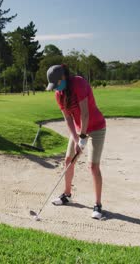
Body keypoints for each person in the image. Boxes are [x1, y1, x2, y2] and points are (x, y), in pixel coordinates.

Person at [46, 64, 107, 219]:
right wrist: (75, 138)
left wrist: (83, 139)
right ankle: (67, 195)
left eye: (57, 84)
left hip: (96, 127)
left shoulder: (79, 83)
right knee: (68, 160)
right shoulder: (59, 94)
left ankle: (98, 205)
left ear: (64, 77)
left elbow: (85, 114)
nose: (56, 88)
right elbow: (68, 119)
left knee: (93, 166)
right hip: (80, 130)